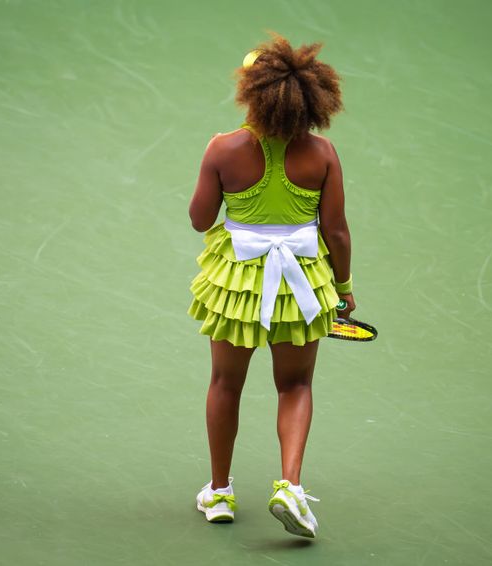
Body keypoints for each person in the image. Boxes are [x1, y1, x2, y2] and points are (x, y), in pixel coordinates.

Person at [187, 33, 355, 539]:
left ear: (254, 94)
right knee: (296, 385)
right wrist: (343, 288)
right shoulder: (322, 153)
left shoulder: (224, 147)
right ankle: (290, 486)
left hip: (236, 284)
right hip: (300, 285)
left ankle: (218, 493)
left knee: (225, 384)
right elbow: (337, 230)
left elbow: (200, 219)